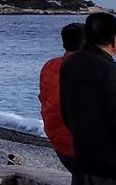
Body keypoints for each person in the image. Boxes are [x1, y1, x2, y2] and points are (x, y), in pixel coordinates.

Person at [59, 12, 116, 184]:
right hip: (114, 172)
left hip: (85, 161)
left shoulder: (69, 65)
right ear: (114, 40)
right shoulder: (111, 73)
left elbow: (66, 115)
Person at [40, 22, 86, 172]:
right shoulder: (89, 69)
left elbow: (43, 98)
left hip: (57, 139)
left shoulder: (50, 65)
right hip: (79, 146)